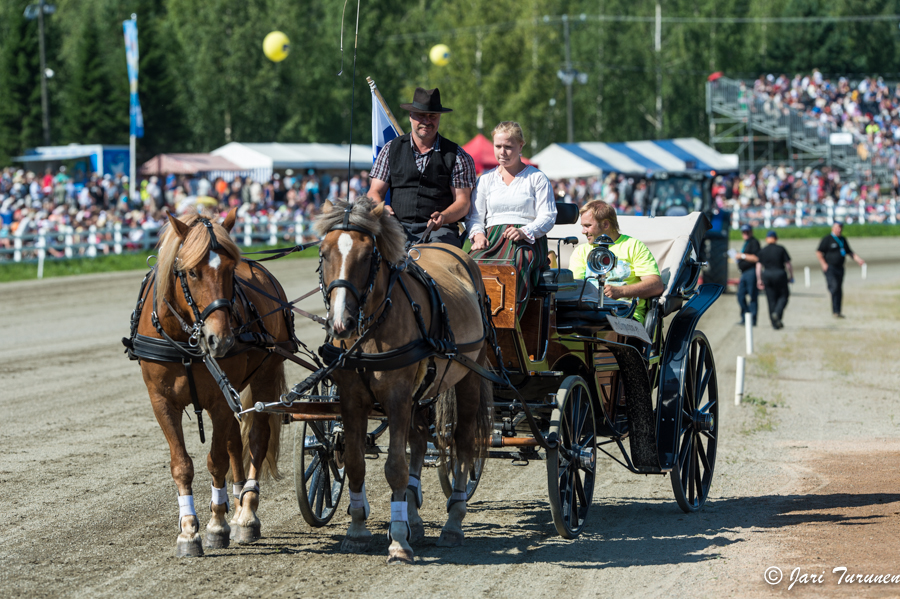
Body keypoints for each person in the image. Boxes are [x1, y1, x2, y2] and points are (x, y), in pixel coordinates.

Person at [367, 87, 476, 247]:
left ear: (439, 117)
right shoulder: (390, 149)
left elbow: (463, 202)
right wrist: (380, 208)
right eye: (421, 115)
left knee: (444, 260)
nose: (427, 121)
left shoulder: (458, 156)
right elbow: (374, 192)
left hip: (441, 231)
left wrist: (444, 217)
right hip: (396, 228)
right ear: (410, 116)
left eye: (432, 116)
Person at [466, 121, 556, 311]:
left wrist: (525, 231)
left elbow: (548, 216)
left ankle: (509, 320)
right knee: (470, 263)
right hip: (492, 239)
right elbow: (475, 217)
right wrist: (478, 235)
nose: (502, 152)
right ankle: (475, 317)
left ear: (520, 146)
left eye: (508, 147)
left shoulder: (536, 178)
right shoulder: (485, 180)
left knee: (517, 261)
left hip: (528, 241)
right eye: (498, 146)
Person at [570, 200, 664, 324]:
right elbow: (574, 288)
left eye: (587, 226)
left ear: (606, 224)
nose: (583, 231)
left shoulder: (634, 246)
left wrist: (621, 292)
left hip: (626, 316)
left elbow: (656, 285)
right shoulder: (580, 251)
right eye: (583, 226)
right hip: (589, 315)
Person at [815, 221, 865, 318]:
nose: (839, 229)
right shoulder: (827, 239)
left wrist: (858, 260)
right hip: (830, 267)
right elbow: (819, 252)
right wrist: (824, 264)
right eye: (837, 227)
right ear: (833, 228)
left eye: (840, 228)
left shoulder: (843, 239)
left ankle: (837, 311)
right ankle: (835, 309)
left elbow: (849, 252)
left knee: (839, 289)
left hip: (840, 268)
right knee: (834, 287)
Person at [756, 230, 793, 329]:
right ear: (776, 239)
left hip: (767, 275)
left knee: (771, 299)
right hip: (780, 274)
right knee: (784, 296)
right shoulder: (781, 249)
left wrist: (759, 279)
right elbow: (788, 264)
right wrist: (791, 276)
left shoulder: (763, 250)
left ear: (766, 239)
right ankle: (777, 313)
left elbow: (758, 267)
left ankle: (774, 323)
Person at [734, 224, 760, 325]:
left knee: (752, 295)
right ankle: (745, 317)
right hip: (744, 273)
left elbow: (756, 258)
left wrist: (742, 256)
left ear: (751, 232)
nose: (745, 234)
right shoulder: (746, 243)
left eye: (747, 232)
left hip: (751, 272)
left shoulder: (754, 242)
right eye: (744, 232)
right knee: (740, 295)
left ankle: (752, 319)